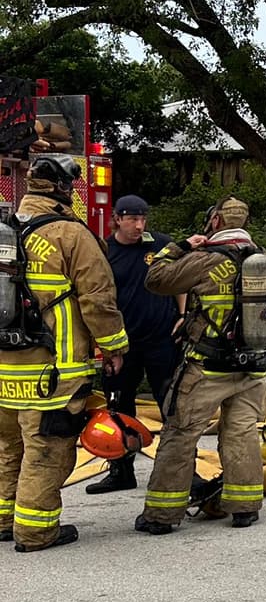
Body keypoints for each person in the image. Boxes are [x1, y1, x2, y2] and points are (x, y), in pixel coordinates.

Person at [0, 154, 128, 551]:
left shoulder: (5, 233)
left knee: (8, 447)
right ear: (63, 190)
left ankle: (5, 519)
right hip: (53, 371)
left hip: (4, 368)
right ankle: (35, 531)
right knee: (46, 450)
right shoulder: (71, 235)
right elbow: (98, 300)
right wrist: (114, 345)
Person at [133, 193, 266, 533]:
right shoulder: (264, 259)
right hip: (253, 369)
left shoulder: (207, 259)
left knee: (180, 434)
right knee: (241, 434)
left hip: (208, 367)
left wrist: (179, 246)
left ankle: (161, 516)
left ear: (216, 222)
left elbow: (156, 280)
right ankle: (244, 508)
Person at [85, 194, 182, 495]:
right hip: (123, 345)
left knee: (173, 406)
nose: (139, 226)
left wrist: (182, 314)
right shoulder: (104, 251)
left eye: (143, 219)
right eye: (132, 220)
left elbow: (180, 278)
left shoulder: (160, 245)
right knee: (119, 408)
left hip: (161, 340)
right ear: (117, 219)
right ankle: (121, 470)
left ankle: (182, 473)